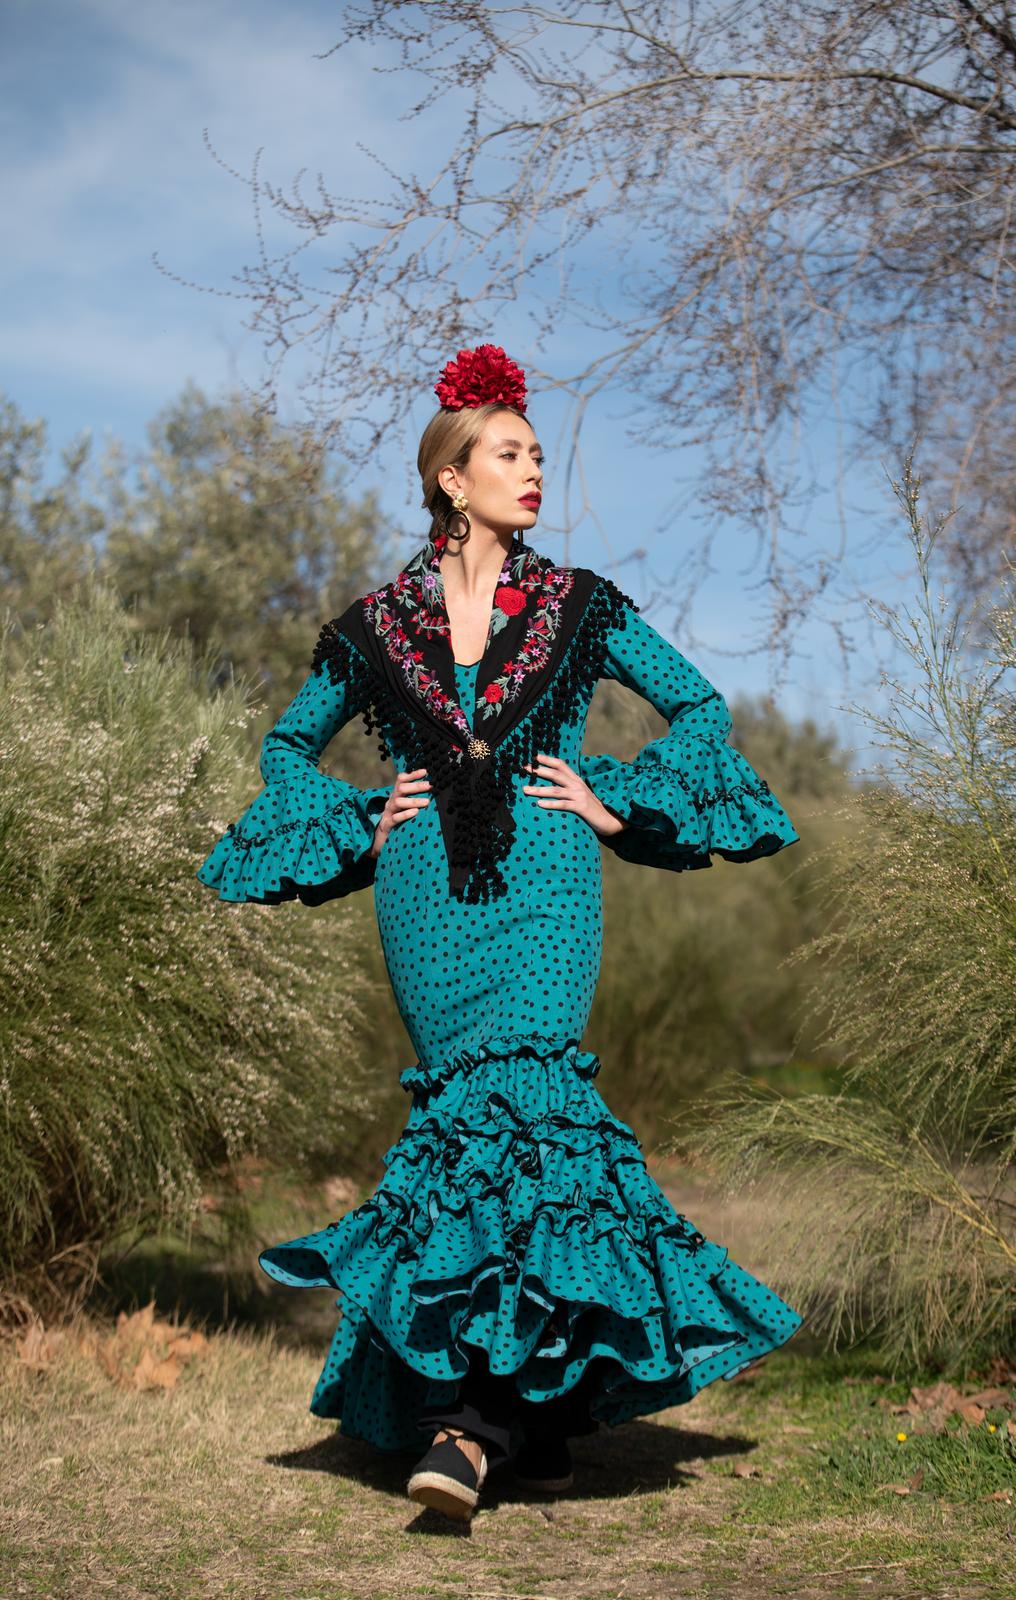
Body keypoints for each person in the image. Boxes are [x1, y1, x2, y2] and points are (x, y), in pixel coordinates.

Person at [196, 343, 804, 1524]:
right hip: (423, 892)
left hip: (548, 882)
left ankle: (464, 1429)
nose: (534, 472)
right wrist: (367, 816)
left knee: (533, 1115)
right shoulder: (373, 625)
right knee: (464, 1130)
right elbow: (283, 750)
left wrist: (615, 799)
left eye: (537, 455)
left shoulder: (581, 605)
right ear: (450, 479)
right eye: (511, 454)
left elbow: (698, 701)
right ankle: (542, 1416)